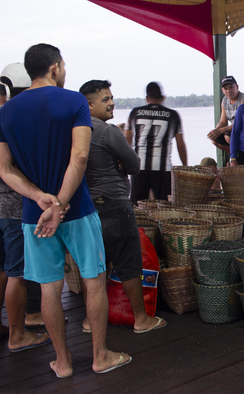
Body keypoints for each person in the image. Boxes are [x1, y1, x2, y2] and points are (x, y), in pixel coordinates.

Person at [0, 43, 131, 378]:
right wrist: (60, 202)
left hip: (34, 216)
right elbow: (80, 158)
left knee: (49, 289)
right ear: (55, 68)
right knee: (94, 281)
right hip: (78, 210)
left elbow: (4, 169)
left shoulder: (6, 112)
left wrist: (42, 199)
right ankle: (100, 356)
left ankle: (63, 363)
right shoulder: (73, 100)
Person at [79, 80, 167, 334]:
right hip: (114, 207)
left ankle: (88, 321)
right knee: (128, 264)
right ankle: (141, 319)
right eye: (105, 99)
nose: (112, 103)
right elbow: (135, 166)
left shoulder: (74, 132)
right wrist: (119, 156)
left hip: (86, 208)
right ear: (89, 104)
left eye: (111, 98)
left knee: (93, 268)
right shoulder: (107, 132)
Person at [0, 62, 51, 351]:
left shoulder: (4, 118)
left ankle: (10, 324)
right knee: (19, 272)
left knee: (4, 270)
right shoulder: (15, 120)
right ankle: (19, 331)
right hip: (14, 208)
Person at [126, 82, 188, 204]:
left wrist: (126, 163)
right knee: (164, 207)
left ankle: (139, 224)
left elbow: (126, 141)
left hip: (139, 166)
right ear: (162, 97)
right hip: (163, 168)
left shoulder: (135, 113)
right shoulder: (172, 115)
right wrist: (185, 166)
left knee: (137, 207)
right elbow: (180, 145)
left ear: (147, 98)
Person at [207, 76, 244, 154]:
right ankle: (236, 155)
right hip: (234, 128)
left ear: (237, 87)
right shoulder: (224, 100)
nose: (228, 91)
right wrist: (216, 131)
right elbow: (223, 121)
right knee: (214, 139)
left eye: (231, 87)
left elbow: (241, 123)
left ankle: (239, 156)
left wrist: (221, 131)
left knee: (228, 137)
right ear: (222, 90)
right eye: (226, 89)